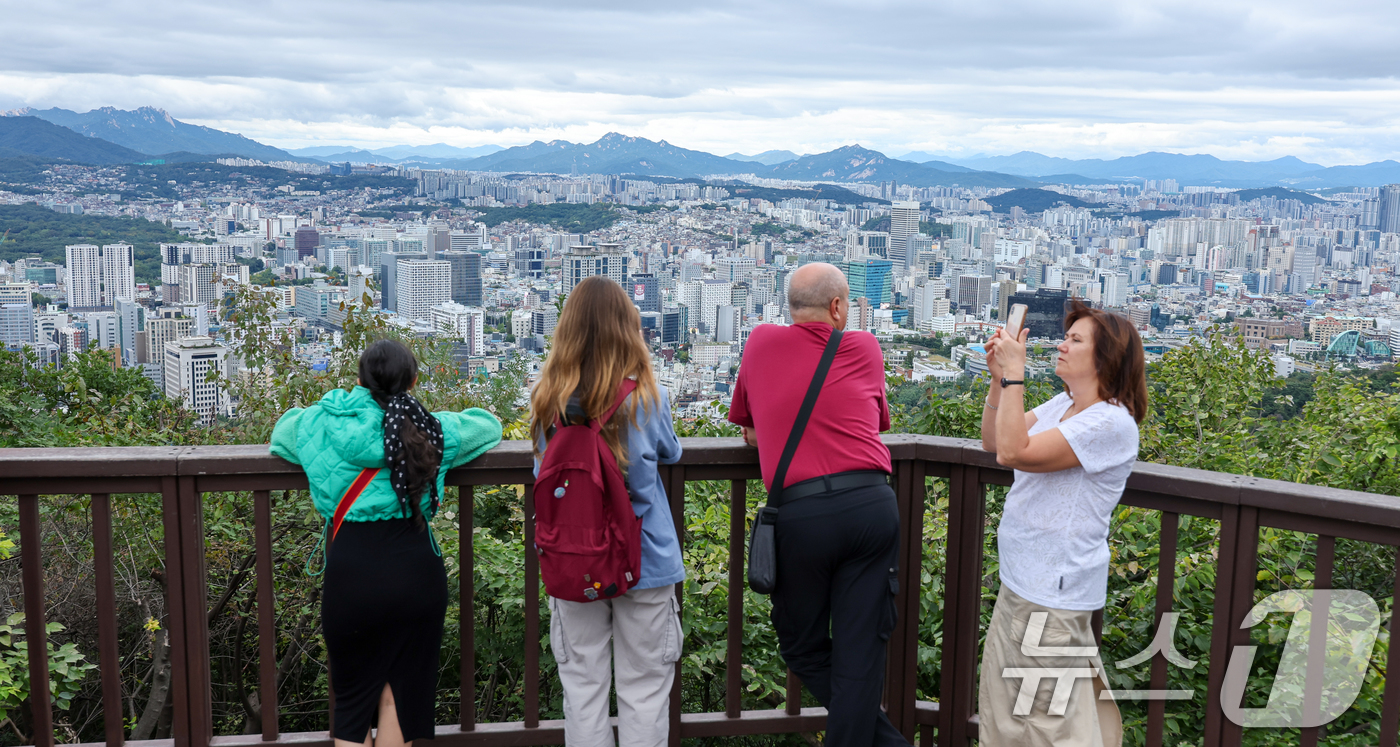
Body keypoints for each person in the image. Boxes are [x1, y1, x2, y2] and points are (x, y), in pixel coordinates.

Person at [270, 339, 503, 747]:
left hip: (351, 574)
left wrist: (334, 406)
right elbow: (488, 426)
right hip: (414, 572)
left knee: (352, 701)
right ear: (413, 380)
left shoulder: (321, 425)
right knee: (401, 701)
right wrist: (429, 412)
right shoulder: (431, 429)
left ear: (359, 380)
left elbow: (283, 430)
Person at [728, 262, 910, 747]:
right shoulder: (865, 347)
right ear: (836, 307)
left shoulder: (761, 342)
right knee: (860, 654)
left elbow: (748, 431)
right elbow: (875, 423)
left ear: (790, 306)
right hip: (871, 507)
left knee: (803, 646)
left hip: (803, 516)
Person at [978, 299, 1147, 747]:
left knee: (1049, 728)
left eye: (1075, 340)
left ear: (1105, 357)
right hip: (1021, 582)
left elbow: (1015, 453)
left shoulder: (1110, 423)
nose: (1061, 345)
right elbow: (995, 441)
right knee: (1004, 717)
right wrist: (999, 381)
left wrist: (1016, 373)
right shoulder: (1063, 404)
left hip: (1054, 594)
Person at [530, 276, 684, 747]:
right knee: (644, 688)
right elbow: (669, 453)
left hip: (573, 557)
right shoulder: (643, 397)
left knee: (583, 687)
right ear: (627, 328)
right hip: (644, 557)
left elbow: (544, 471)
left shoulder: (547, 400)